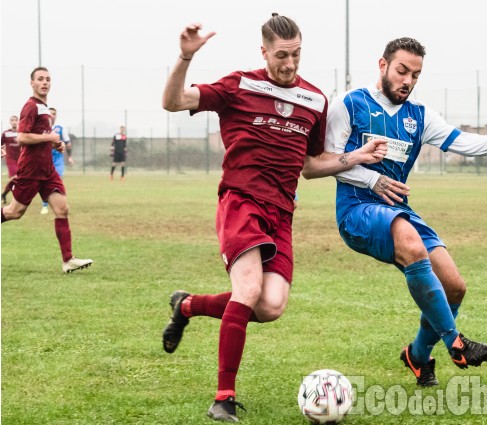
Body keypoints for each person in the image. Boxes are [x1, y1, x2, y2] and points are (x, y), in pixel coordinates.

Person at [160, 16, 386, 422]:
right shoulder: (239, 86)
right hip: (241, 202)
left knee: (270, 306)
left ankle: (188, 306)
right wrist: (184, 57)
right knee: (247, 289)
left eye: (296, 54)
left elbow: (311, 165)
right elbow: (173, 102)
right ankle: (223, 397)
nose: (290, 63)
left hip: (281, 214)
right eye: (282, 55)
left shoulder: (315, 100)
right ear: (263, 52)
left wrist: (356, 156)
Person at [305, 37, 487, 387]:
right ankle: (455, 342)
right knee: (412, 246)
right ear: (382, 65)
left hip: (400, 212)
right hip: (356, 210)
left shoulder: (419, 115)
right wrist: (371, 180)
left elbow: (463, 142)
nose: (407, 81)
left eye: (415, 75)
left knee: (454, 287)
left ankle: (416, 355)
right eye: (401, 71)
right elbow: (321, 162)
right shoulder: (348, 105)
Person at [1, 67, 93, 273]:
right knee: (14, 212)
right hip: (30, 170)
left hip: (47, 170)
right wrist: (49, 138)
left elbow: (41, 137)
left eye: (48, 79)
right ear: (32, 83)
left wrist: (55, 144)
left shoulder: (45, 108)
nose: (44, 82)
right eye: (40, 79)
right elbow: (22, 137)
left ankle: (68, 260)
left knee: (62, 209)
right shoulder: (30, 106)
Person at [40, 107, 73, 214]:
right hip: (45, 159)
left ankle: (62, 204)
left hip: (58, 160)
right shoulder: (42, 128)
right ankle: (44, 205)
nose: (52, 115)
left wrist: (70, 156)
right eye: (50, 113)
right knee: (43, 182)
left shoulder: (60, 128)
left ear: (56, 115)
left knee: (58, 180)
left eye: (54, 113)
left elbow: (68, 143)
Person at [1, 115, 20, 205]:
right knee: (15, 177)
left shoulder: (22, 133)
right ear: (10, 122)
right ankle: (16, 198)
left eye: (15, 120)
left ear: (18, 121)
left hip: (20, 159)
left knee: (17, 179)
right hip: (10, 159)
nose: (14, 122)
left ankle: (4, 194)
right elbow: (1, 145)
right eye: (12, 120)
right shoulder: (5, 133)